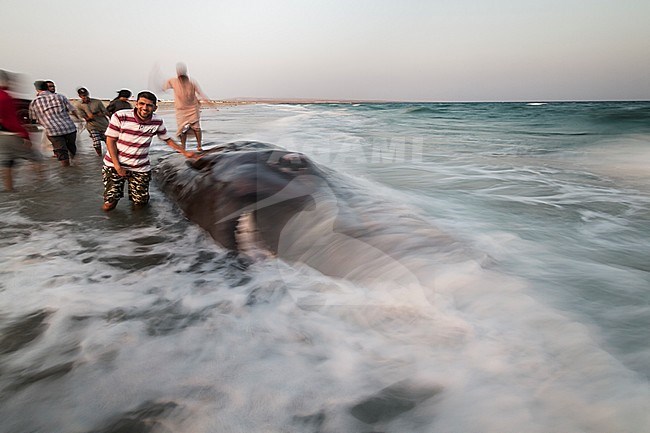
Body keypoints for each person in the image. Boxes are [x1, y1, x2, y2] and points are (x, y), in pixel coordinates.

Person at [102, 90, 196, 211]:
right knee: (110, 204)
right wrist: (118, 166)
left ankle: (137, 228)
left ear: (155, 108)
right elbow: (110, 141)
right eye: (142, 103)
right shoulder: (121, 116)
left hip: (140, 167)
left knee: (141, 204)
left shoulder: (157, 121)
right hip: (114, 165)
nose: (145, 108)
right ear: (136, 104)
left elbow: (166, 139)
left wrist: (185, 152)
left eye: (149, 105)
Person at [0, 70, 42, 191]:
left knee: (6, 163)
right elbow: (11, 121)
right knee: (36, 158)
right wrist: (25, 136)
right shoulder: (4, 97)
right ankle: (42, 187)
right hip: (11, 135)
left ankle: (10, 190)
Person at [28, 80, 79, 166]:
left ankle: (67, 171)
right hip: (69, 128)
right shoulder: (60, 97)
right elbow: (72, 110)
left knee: (62, 152)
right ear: (47, 87)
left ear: (37, 89)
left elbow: (33, 119)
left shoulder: (34, 102)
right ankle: (75, 165)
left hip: (53, 131)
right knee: (71, 147)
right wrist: (78, 119)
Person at [163, 62, 209, 151]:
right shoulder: (173, 81)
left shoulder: (191, 82)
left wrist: (210, 104)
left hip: (192, 108)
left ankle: (199, 145)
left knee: (196, 128)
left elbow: (200, 93)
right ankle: (183, 147)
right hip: (181, 110)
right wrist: (163, 88)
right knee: (182, 130)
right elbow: (165, 86)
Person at [76, 87, 109, 156]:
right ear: (80, 96)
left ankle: (111, 155)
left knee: (108, 142)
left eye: (86, 95)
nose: (85, 97)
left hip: (103, 124)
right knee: (96, 143)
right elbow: (83, 116)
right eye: (83, 96)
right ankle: (99, 156)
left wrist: (98, 114)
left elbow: (105, 112)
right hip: (92, 126)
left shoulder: (97, 102)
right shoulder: (79, 105)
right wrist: (89, 118)